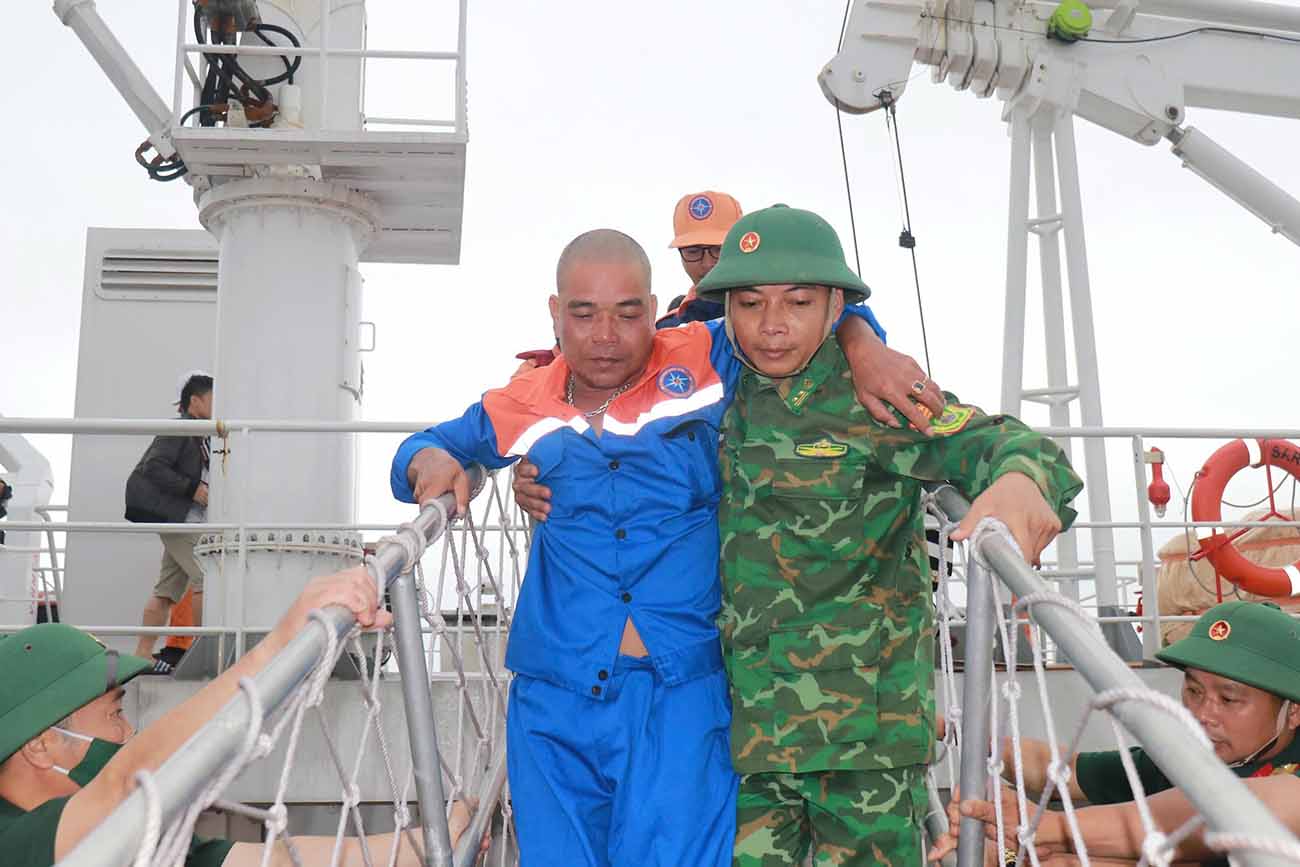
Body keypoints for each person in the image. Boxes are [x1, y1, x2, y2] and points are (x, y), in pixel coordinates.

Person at [391, 227, 944, 867]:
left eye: (628, 313)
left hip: (684, 690)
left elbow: (813, 309)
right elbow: (422, 447)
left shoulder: (708, 357)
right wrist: (429, 461)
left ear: (653, 311)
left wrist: (864, 345)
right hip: (556, 695)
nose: (606, 335)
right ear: (554, 313)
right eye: (584, 313)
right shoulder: (522, 401)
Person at [685, 204, 1082, 867]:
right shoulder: (711, 395)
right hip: (746, 729)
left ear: (835, 304)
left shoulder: (873, 398)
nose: (771, 324)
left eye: (799, 301)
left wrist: (1019, 482)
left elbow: (1006, 443)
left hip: (862, 738)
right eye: (749, 302)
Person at [0, 566, 485, 865]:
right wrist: (278, 647)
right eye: (115, 714)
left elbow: (273, 859)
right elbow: (127, 781)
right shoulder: (16, 844)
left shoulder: (134, 842)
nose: (129, 732)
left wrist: (428, 843)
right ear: (41, 744)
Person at [933, 600, 1300, 866]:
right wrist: (945, 728)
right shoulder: (1188, 755)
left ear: (1293, 711)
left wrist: (1050, 828)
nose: (1203, 714)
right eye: (1194, 690)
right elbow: (1063, 768)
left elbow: (1251, 805)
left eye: (1229, 699)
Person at [124, 372, 213, 670]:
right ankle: (203, 652)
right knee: (207, 577)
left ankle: (142, 654)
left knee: (166, 591)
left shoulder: (200, 435)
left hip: (182, 520)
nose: (219, 405)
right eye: (213, 399)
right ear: (195, 401)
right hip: (179, 519)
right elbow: (154, 466)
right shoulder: (180, 430)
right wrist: (193, 489)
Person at [657, 190, 743, 328]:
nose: (707, 263)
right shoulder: (666, 329)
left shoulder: (767, 320)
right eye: (693, 252)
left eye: (718, 250)